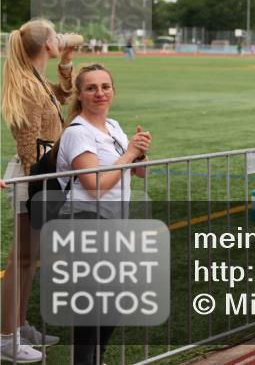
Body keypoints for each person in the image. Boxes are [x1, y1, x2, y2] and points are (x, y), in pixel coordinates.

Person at [56, 64, 151, 365]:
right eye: (91, 88)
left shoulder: (113, 126)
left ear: (113, 91)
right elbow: (95, 186)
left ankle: (95, 358)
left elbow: (136, 172)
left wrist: (139, 153)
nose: (100, 93)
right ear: (80, 94)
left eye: (105, 87)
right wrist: (129, 154)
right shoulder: (78, 132)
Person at [0, 19, 74, 363]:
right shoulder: (29, 86)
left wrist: (67, 63)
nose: (60, 38)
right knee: (20, 260)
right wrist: (41, 186)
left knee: (29, 260)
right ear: (47, 44)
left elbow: (63, 96)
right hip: (34, 179)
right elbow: (28, 145)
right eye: (56, 35)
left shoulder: (36, 78)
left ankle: (19, 325)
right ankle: (5, 338)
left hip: (40, 178)